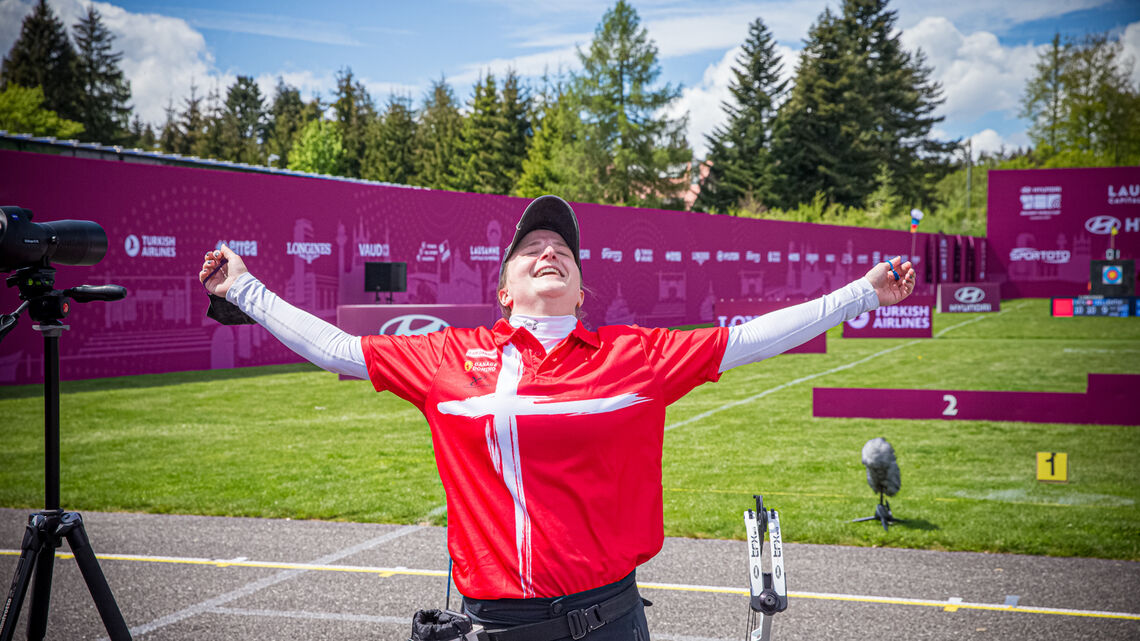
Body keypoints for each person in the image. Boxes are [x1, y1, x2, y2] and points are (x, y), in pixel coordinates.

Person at [200, 195, 916, 640]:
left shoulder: (635, 355)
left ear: (580, 290)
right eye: (531, 250)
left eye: (563, 251)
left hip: (613, 621)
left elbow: (754, 337)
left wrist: (863, 293)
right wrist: (245, 288)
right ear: (503, 289)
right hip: (496, 626)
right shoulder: (447, 356)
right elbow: (337, 348)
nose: (550, 252)